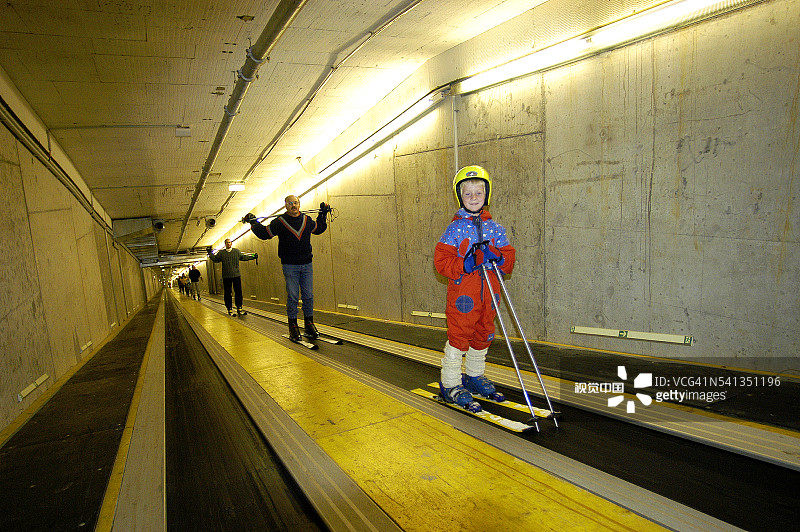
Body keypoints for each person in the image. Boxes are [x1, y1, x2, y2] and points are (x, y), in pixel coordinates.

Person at [434, 165, 516, 413]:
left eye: (478, 193)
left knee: (483, 335)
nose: (473, 198)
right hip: (463, 297)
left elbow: (509, 260)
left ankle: (474, 376)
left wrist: (498, 256)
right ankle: (450, 384)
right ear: (460, 197)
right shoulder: (454, 230)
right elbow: (441, 263)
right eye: (467, 194)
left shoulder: (495, 229)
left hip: (489, 296)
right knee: (459, 338)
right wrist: (466, 263)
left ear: (486, 195)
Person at [243, 195, 330, 341]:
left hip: (306, 264)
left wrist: (323, 213)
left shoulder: (307, 220)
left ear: (299, 204)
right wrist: (253, 222)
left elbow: (319, 228)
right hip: (290, 266)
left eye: (295, 203)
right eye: (290, 203)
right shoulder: (280, 222)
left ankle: (309, 323)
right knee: (293, 296)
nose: (293, 206)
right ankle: (293, 327)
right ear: (285, 206)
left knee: (308, 296)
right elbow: (265, 233)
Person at [209, 238, 257, 315]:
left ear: (231, 243)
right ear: (225, 244)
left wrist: (253, 257)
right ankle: (229, 308)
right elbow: (215, 259)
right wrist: (210, 254)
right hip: (226, 276)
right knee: (228, 293)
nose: (228, 244)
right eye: (227, 243)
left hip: (236, 275)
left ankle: (239, 307)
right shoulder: (221, 253)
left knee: (238, 292)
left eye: (229, 242)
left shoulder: (236, 251)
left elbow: (243, 257)